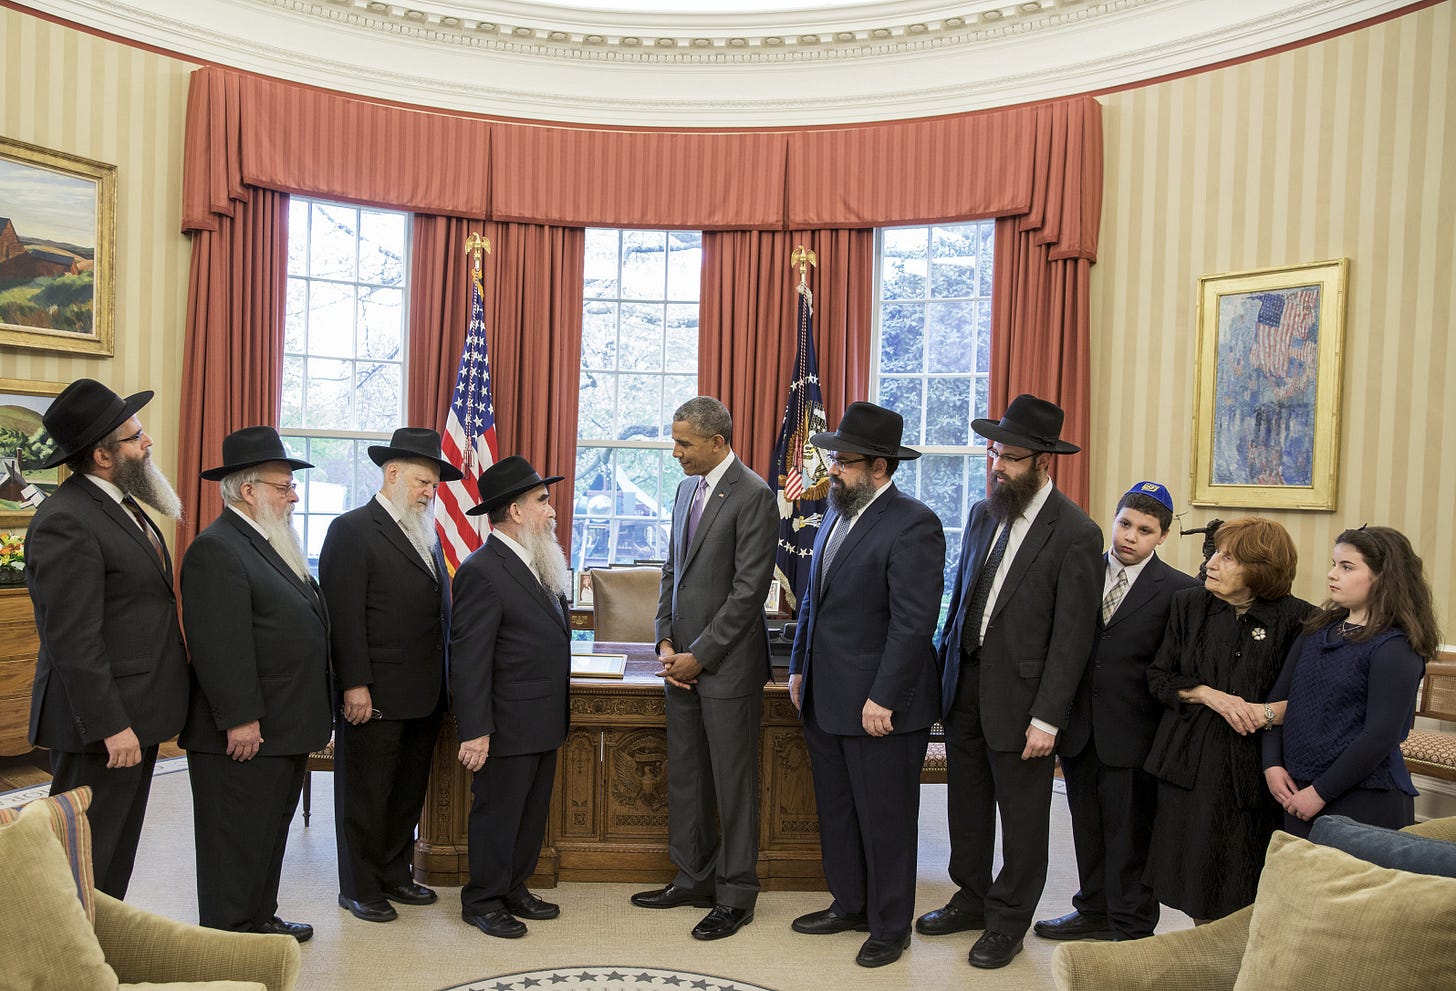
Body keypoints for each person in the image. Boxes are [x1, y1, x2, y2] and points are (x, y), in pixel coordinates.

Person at [917, 393, 1102, 970]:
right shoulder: (982, 512)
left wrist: (1049, 716)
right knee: (966, 807)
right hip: (965, 685)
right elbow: (965, 599)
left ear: (1045, 460)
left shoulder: (1076, 533)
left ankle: (1007, 919)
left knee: (1022, 819)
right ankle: (971, 897)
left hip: (1025, 704)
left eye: (1013, 457)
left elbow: (1073, 639)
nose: (998, 465)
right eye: (995, 451)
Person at [787, 402, 945, 969]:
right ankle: (849, 904)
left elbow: (912, 623)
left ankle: (889, 924)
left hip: (880, 704)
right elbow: (813, 602)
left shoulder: (914, 523)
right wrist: (799, 666)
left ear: (879, 467)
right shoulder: (837, 511)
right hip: (826, 694)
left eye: (845, 462)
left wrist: (883, 696)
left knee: (885, 819)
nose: (832, 469)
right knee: (838, 811)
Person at [23, 378, 189, 899]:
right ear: (101, 455)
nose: (148, 443)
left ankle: (103, 950)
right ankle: (69, 963)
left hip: (133, 715)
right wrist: (111, 725)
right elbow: (73, 640)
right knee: (84, 856)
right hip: (101, 725)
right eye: (136, 437)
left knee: (113, 853)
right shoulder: (65, 521)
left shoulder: (120, 503)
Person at [630, 397, 778, 940]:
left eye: (684, 443)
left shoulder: (755, 495)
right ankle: (692, 876)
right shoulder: (684, 490)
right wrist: (665, 636)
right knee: (688, 775)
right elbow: (674, 567)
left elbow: (748, 592)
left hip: (727, 668)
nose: (676, 453)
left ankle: (736, 894)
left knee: (733, 784)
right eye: (675, 441)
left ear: (718, 442)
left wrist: (700, 654)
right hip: (680, 662)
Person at [180, 426, 332, 940]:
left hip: (283, 724)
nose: (294, 495)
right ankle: (229, 934)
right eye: (284, 486)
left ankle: (259, 917)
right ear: (249, 491)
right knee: (235, 839)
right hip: (245, 730)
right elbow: (219, 647)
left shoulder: (269, 542)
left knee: (266, 832)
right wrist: (241, 718)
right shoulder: (217, 548)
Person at [1034, 482, 1200, 944]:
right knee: (1087, 827)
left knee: (1129, 834)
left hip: (1134, 733)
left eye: (1145, 531)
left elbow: (1175, 669)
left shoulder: (1179, 592)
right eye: (1125, 524)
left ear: (1162, 537)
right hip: (1080, 728)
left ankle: (1130, 924)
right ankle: (1092, 910)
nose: (1130, 537)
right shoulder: (1079, 570)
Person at [318, 428, 459, 923]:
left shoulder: (428, 532)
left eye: (434, 486)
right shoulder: (352, 530)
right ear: (393, 473)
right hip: (373, 691)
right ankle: (359, 888)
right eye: (423, 482)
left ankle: (396, 874)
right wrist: (353, 684)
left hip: (424, 690)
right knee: (365, 793)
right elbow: (343, 617)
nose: (429, 492)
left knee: (404, 794)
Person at [1143, 516, 1312, 922]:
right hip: (1189, 760)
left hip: (1256, 768)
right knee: (1194, 879)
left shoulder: (1302, 621)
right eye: (1216, 552)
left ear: (1259, 569)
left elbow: (1310, 700)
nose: (1211, 563)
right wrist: (1209, 695)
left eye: (1227, 557)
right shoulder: (1189, 604)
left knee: (1246, 882)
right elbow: (1159, 677)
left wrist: (1263, 712)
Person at [451, 455, 572, 940]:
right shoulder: (483, 570)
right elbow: (469, 659)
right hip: (505, 722)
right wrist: (476, 729)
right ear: (516, 511)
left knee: (530, 813)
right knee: (498, 814)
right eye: (542, 501)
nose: (552, 510)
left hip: (543, 719)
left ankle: (514, 887)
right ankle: (482, 899)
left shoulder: (537, 560)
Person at [1263, 526, 1440, 837]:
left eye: (1346, 567)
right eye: (1333, 564)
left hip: (1362, 796)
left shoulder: (1394, 648)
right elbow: (1278, 703)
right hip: (1296, 789)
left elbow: (1380, 736)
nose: (1333, 575)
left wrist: (1319, 793)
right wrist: (1272, 765)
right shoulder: (1318, 630)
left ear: (1384, 577)